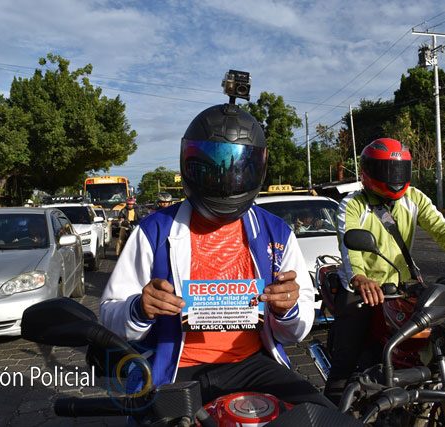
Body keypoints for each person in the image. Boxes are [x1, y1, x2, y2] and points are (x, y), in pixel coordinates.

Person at [100, 102, 333, 408]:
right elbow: (109, 315)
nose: (225, 181)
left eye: (237, 170)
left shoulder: (276, 233)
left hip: (250, 363)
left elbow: (296, 332)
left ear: (257, 169)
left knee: (322, 414)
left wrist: (287, 309)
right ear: (188, 165)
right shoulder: (154, 230)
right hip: (175, 367)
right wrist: (139, 309)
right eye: (211, 171)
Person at [324, 137, 445, 405]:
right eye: (386, 171)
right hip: (362, 291)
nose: (394, 178)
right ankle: (331, 411)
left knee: (437, 336)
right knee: (344, 362)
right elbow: (349, 248)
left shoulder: (415, 198)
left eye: (399, 170)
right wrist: (360, 278)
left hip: (403, 288)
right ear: (367, 172)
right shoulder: (353, 204)